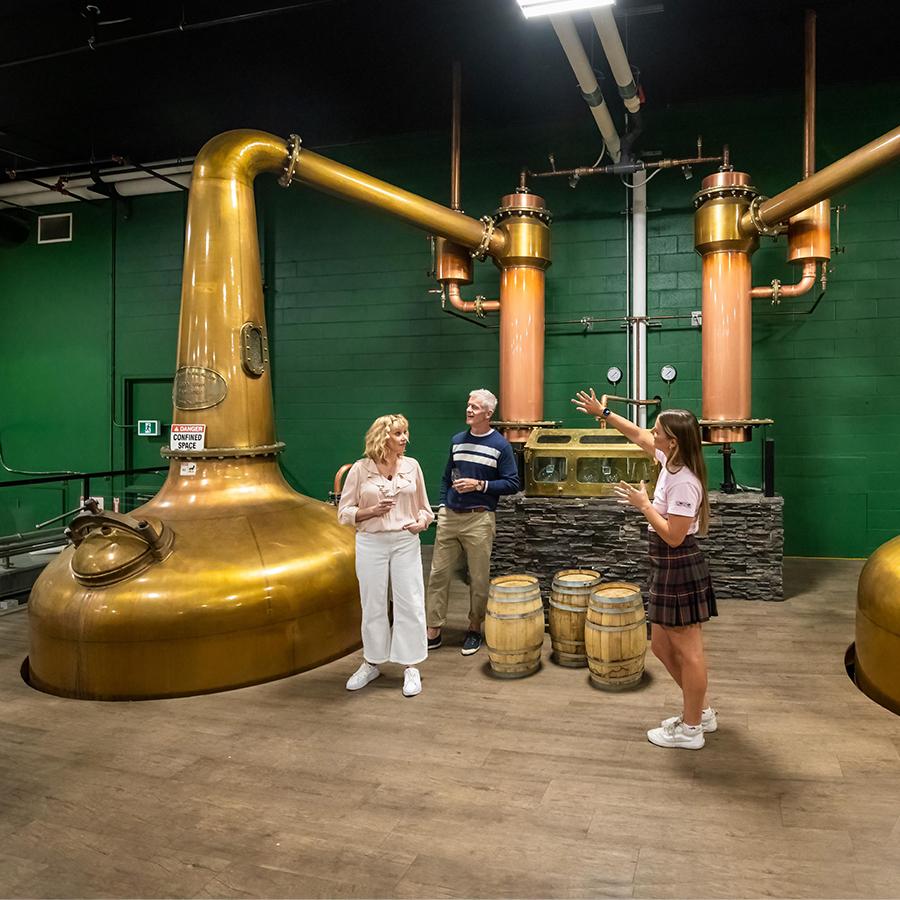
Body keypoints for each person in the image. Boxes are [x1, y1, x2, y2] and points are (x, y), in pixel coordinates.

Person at [572, 388, 717, 750]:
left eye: (657, 432)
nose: (651, 435)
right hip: (666, 565)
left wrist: (642, 504)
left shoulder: (684, 480)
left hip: (678, 562)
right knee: (662, 647)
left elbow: (673, 535)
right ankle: (699, 711)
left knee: (689, 650)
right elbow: (636, 434)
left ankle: (692, 728)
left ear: (674, 442)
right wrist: (603, 414)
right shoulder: (669, 461)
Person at [338, 414, 434, 697]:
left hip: (405, 541)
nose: (405, 438)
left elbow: (425, 508)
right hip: (371, 542)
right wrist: (371, 511)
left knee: (411, 602)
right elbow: (344, 513)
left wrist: (422, 523)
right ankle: (372, 662)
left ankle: (411, 666)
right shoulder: (359, 469)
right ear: (383, 437)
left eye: (406, 432)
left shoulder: (412, 466)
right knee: (373, 603)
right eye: (399, 433)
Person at [425, 389, 520, 655]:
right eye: (468, 405)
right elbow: (446, 477)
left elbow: (512, 483)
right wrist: (443, 505)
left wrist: (481, 484)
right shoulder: (457, 441)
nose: (469, 410)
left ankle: (475, 628)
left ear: (488, 414)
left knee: (478, 578)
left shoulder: (501, 446)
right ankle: (433, 629)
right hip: (449, 517)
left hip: (479, 519)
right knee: (438, 575)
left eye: (475, 407)